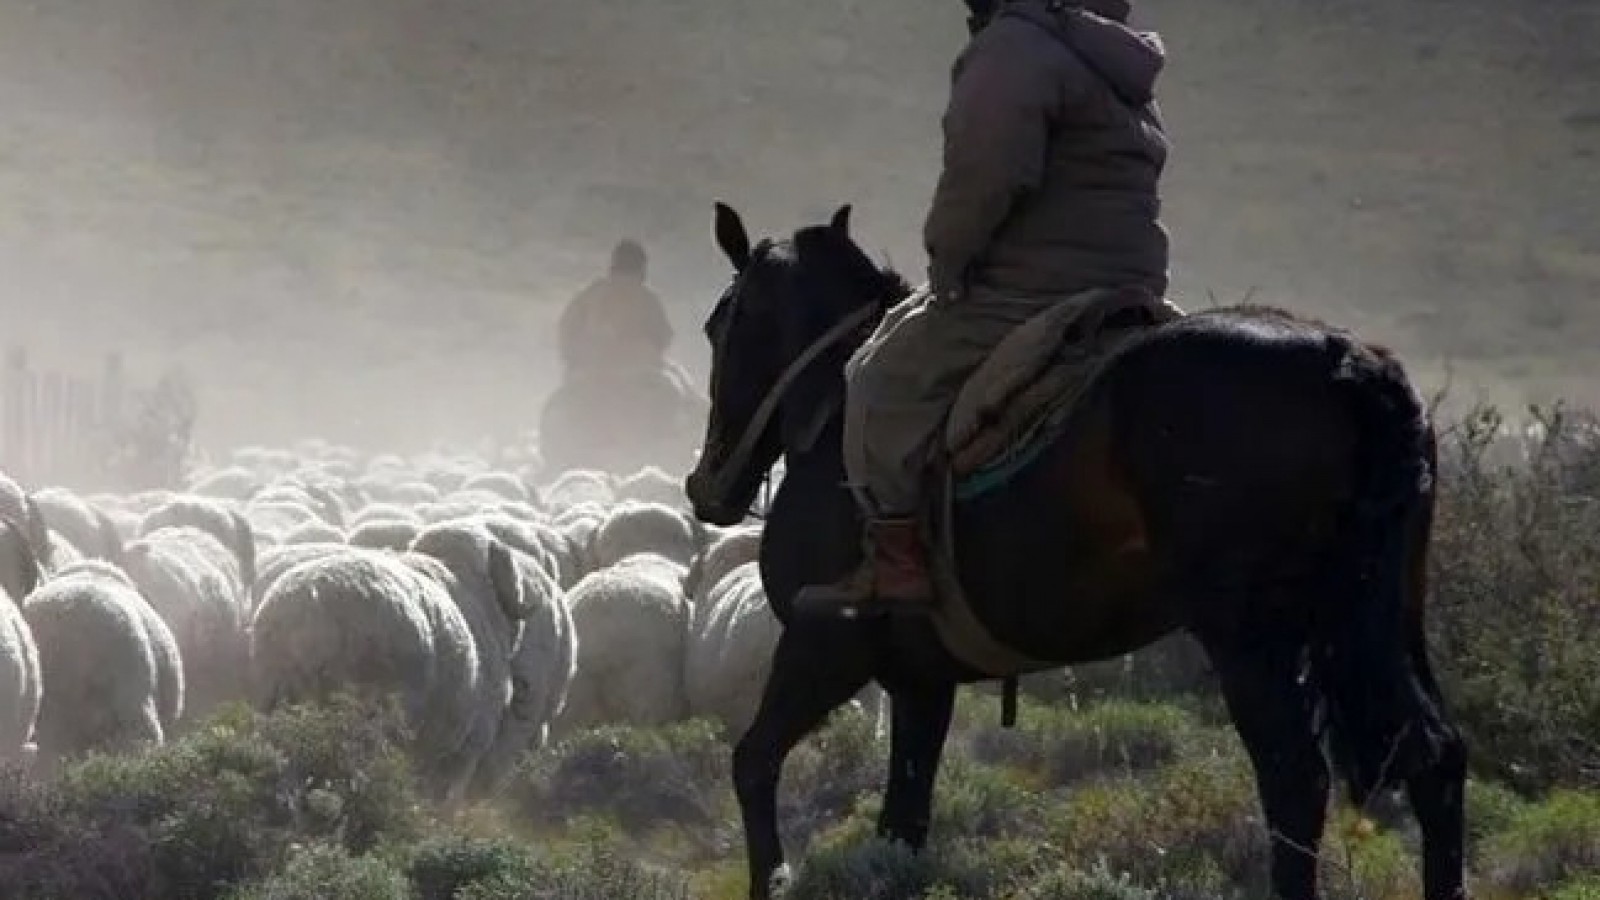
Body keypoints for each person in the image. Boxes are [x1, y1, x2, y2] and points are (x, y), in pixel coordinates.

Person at [794, 0, 1172, 616]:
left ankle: (897, 561)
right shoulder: (1115, 59)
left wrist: (948, 261)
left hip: (1031, 289)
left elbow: (983, 177)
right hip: (1131, 284)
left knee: (879, 379)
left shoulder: (1015, 49)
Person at [557, 238, 675, 383]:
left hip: (592, 370)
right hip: (636, 373)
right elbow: (663, 337)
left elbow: (567, 329)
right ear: (642, 271)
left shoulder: (592, 293)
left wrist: (574, 359)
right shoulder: (647, 298)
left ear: (612, 267)